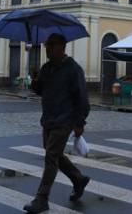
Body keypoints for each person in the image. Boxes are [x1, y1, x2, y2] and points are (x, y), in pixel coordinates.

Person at [23, 33, 90, 214]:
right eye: (46, 45)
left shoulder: (73, 69)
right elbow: (41, 90)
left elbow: (82, 98)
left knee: (51, 156)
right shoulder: (47, 67)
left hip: (64, 119)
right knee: (54, 153)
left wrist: (79, 122)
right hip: (49, 119)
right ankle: (78, 179)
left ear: (62, 47)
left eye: (51, 45)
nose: (47, 48)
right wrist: (34, 79)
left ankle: (42, 198)